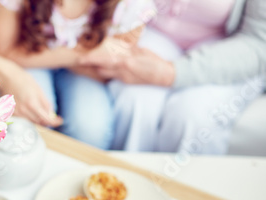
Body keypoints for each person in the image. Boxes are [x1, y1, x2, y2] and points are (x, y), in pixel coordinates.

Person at [80, 0, 266, 154]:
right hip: (154, 29)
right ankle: (119, 187)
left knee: (192, 118)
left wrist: (170, 73)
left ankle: (184, 195)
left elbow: (259, 43)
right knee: (133, 100)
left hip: (230, 46)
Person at [0, 0, 156, 149]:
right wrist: (82, 54)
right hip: (29, 59)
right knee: (31, 121)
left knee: (90, 132)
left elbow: (108, 69)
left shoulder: (132, 5)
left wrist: (77, 59)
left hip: (83, 71)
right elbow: (6, 51)